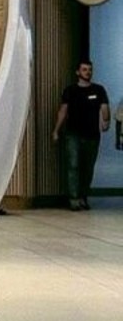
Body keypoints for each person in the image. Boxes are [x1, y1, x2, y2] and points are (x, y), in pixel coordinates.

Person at [53, 60, 110, 209]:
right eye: (84, 70)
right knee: (73, 165)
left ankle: (83, 195)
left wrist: (106, 120)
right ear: (77, 72)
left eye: (90, 70)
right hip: (73, 134)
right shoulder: (70, 91)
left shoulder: (98, 90)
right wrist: (56, 130)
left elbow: (104, 107)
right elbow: (63, 110)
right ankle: (74, 198)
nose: (88, 72)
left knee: (88, 167)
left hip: (92, 134)